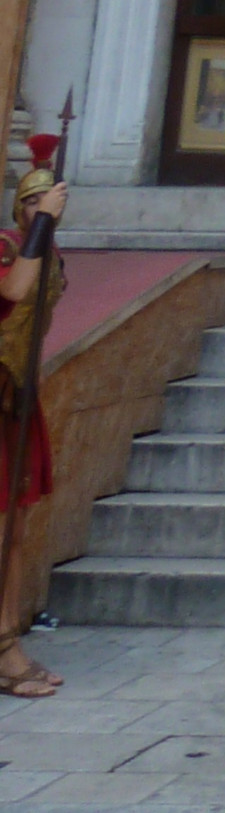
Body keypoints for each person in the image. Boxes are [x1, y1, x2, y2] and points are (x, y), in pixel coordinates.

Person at [0, 141, 66, 699]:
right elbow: (12, 291)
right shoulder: (8, 248)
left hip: (14, 401)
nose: (41, 208)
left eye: (48, 200)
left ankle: (7, 641)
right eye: (30, 202)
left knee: (15, 531)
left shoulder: (47, 254)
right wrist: (41, 225)